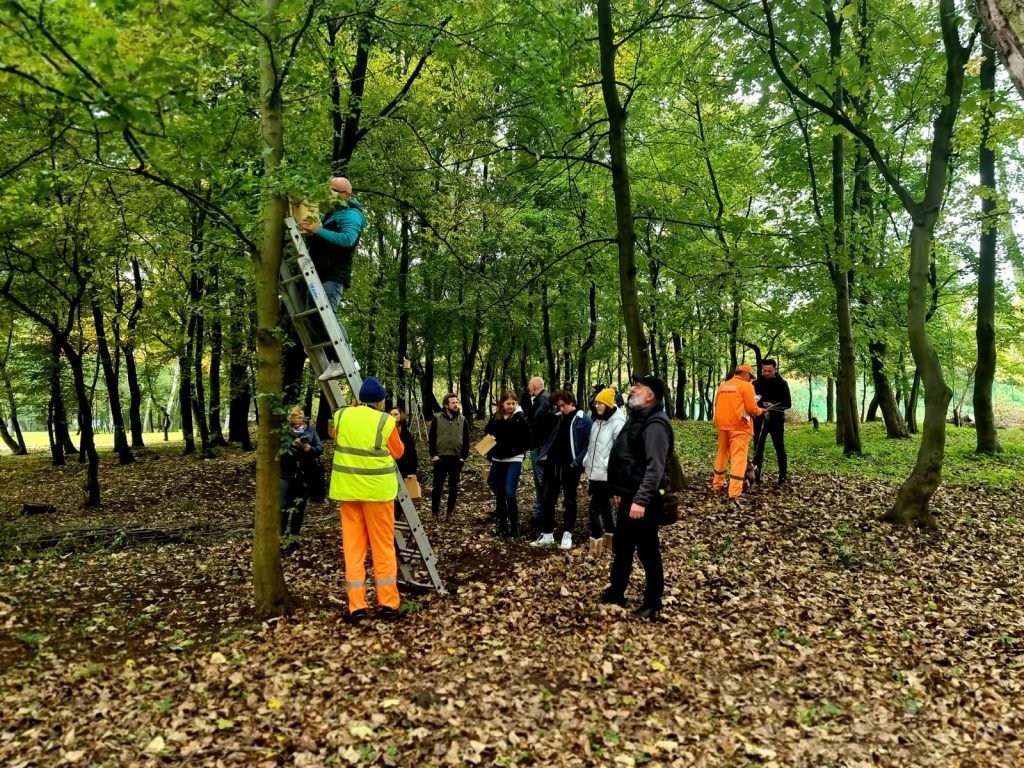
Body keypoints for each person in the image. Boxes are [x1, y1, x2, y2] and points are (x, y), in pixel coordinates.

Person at [328, 376, 405, 623]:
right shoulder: (385, 421)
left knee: (353, 550)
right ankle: (388, 605)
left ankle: (357, 607)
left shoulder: (342, 416)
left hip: (348, 493)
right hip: (377, 494)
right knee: (383, 548)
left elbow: (335, 435)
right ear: (381, 401)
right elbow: (398, 452)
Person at [601, 375, 673, 620]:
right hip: (628, 496)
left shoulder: (656, 424)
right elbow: (628, 457)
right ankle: (616, 592)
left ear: (650, 394)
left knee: (647, 550)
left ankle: (653, 602)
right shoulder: (637, 418)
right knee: (622, 547)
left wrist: (640, 500)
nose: (632, 388)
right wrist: (620, 491)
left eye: (638, 386)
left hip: (644, 501)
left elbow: (655, 467)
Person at [300, 176, 366, 382]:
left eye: (334, 190)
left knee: (327, 314)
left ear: (346, 194)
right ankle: (334, 361)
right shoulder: (332, 214)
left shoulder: (351, 213)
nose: (329, 193)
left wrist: (318, 230)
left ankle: (347, 358)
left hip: (333, 274)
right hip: (319, 273)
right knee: (313, 316)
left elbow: (348, 240)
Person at [531, 390, 592, 550]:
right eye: (558, 405)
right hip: (552, 464)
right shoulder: (556, 417)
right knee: (547, 499)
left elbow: (587, 443)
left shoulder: (583, 419)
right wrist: (547, 403)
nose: (561, 408)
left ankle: (567, 533)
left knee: (570, 500)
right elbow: (537, 419)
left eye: (563, 405)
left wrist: (576, 462)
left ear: (572, 402)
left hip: (570, 467)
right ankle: (547, 533)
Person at [583, 387, 626, 556]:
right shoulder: (598, 421)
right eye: (596, 403)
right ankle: (612, 542)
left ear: (608, 404)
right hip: (595, 472)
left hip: (607, 474)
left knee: (594, 508)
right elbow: (593, 446)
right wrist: (587, 461)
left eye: (600, 403)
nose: (597, 406)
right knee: (604, 507)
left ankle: (596, 544)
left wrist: (606, 464)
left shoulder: (618, 423)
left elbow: (620, 450)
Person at [483, 392, 532, 537]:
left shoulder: (519, 418)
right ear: (502, 404)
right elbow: (488, 432)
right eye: (508, 403)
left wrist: (516, 449)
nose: (511, 406)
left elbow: (528, 439)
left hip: (514, 459)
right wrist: (490, 447)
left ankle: (514, 527)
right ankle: (502, 526)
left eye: (513, 403)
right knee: (499, 493)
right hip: (498, 459)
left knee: (509, 493)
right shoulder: (495, 418)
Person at [712, 364, 764, 500]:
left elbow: (717, 404)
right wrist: (761, 411)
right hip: (739, 426)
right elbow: (752, 408)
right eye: (750, 377)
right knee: (738, 458)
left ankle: (717, 484)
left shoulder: (723, 386)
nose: (750, 380)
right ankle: (734, 491)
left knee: (722, 454)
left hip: (722, 425)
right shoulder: (747, 387)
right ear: (745, 374)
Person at [279, 406, 324, 553]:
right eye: (294, 419)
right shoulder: (285, 432)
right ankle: (281, 537)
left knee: (299, 506)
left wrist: (309, 449)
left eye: (298, 418)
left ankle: (295, 537)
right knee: (284, 505)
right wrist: (292, 446)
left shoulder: (310, 431)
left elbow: (320, 448)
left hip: (305, 473)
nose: (296, 421)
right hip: (286, 473)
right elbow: (281, 451)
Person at [428, 394, 470, 518]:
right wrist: (434, 455)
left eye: (457, 402)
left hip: (456, 459)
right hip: (440, 458)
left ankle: (449, 513)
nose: (456, 405)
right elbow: (431, 438)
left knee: (453, 487)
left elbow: (467, 441)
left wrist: (463, 457)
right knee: (437, 487)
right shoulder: (437, 418)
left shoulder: (462, 420)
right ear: (446, 405)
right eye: (453, 403)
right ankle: (434, 513)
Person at [753, 358, 792, 487]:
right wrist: (760, 405)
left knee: (779, 447)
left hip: (776, 420)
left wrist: (772, 405)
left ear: (775, 369)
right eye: (764, 371)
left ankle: (782, 475)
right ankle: (756, 474)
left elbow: (787, 403)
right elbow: (751, 401)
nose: (767, 373)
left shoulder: (782, 383)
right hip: (759, 420)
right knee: (758, 448)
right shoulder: (756, 383)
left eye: (769, 371)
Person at [526, 376, 557, 528]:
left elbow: (537, 421)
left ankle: (546, 517)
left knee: (543, 483)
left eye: (529, 385)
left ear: (534, 385)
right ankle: (540, 515)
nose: (528, 388)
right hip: (538, 446)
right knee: (540, 484)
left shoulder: (544, 400)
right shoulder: (542, 399)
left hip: (540, 448)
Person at [390, 405, 419, 518]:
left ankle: (397, 517)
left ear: (401, 416)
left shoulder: (407, 435)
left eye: (395, 414)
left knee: (402, 497)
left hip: (404, 468)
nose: (393, 416)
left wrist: (413, 471)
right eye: (391, 414)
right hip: (390, 468)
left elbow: (412, 454)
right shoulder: (386, 432)